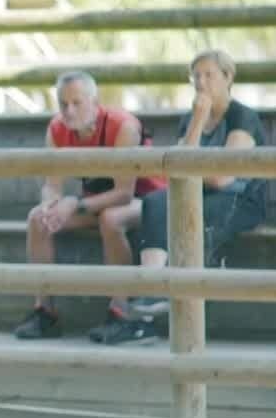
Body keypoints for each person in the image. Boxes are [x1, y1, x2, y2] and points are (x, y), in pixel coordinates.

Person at [117, 48, 268, 337]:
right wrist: (199, 120)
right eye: (195, 76)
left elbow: (223, 178)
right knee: (155, 202)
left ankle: (179, 317)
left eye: (208, 75)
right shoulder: (191, 118)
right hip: (201, 192)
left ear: (228, 77)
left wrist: (193, 172)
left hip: (241, 199)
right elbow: (179, 168)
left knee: (195, 217)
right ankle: (151, 287)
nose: (201, 82)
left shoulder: (242, 117)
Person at [14, 72, 167, 345]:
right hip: (95, 202)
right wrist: (51, 204)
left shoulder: (123, 126)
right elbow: (52, 184)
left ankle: (121, 312)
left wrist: (75, 203)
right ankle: (45, 312)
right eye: (63, 104)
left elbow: (123, 193)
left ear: (95, 102)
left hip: (149, 202)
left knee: (111, 218)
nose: (69, 111)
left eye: (77, 103)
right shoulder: (57, 128)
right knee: (38, 218)